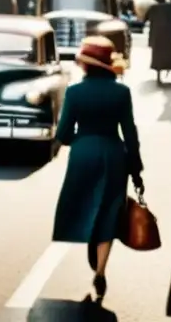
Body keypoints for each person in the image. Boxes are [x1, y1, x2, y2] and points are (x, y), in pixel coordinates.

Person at [52, 36, 143, 303]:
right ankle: (101, 268)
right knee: (109, 210)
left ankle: (87, 239)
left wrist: (80, 141)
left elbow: (63, 133)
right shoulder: (121, 93)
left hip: (83, 154)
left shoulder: (75, 92)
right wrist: (136, 167)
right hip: (114, 154)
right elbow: (130, 132)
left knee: (83, 202)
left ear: (86, 65)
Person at [145, 0, 171, 82]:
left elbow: (145, 18)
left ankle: (158, 71)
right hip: (168, 32)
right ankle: (167, 66)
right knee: (168, 50)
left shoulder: (152, 8)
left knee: (157, 52)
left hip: (155, 32)